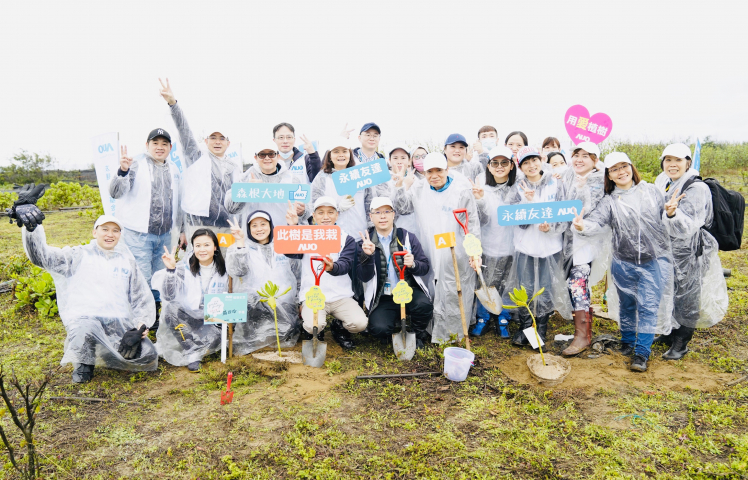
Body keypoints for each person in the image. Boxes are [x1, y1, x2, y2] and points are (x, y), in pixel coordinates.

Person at [16, 202, 157, 383]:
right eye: (105, 229)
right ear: (94, 232)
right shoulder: (78, 255)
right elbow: (42, 257)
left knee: (148, 354)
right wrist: (32, 229)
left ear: (120, 235)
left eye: (115, 231)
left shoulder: (127, 262)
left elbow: (140, 298)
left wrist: (140, 326)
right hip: (86, 319)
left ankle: (108, 352)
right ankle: (84, 362)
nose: (110, 234)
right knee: (84, 329)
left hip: (117, 322)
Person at [572, 152, 675, 372]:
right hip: (623, 261)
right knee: (627, 305)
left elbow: (666, 217)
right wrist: (582, 226)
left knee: (648, 307)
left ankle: (642, 353)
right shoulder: (609, 201)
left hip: (654, 261)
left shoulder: (651, 192)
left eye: (624, 166)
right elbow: (596, 222)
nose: (621, 172)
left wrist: (670, 213)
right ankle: (627, 342)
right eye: (614, 169)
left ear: (631, 167)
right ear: (609, 175)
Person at [393, 152, 480, 344]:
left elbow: (471, 223)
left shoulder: (461, 190)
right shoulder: (419, 188)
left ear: (447, 169)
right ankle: (431, 329)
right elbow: (403, 208)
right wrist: (400, 187)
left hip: (455, 250)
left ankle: (455, 332)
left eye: (439, 170)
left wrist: (474, 251)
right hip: (429, 247)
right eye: (429, 172)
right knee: (432, 288)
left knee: (454, 288)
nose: (434, 175)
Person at [653, 143, 728, 360]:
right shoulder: (663, 181)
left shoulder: (696, 188)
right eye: (668, 160)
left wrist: (672, 214)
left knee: (688, 295)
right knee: (670, 291)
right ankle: (669, 333)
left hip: (691, 251)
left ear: (687, 162)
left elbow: (687, 227)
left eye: (678, 160)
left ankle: (681, 342)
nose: (672, 164)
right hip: (668, 249)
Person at [109, 130, 181, 329]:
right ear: (147, 145)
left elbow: (178, 200)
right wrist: (122, 171)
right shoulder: (135, 164)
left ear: (170, 148)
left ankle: (154, 316)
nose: (160, 147)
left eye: (164, 144)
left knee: (160, 276)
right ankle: (141, 317)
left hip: (164, 234)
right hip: (139, 234)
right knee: (142, 277)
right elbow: (115, 192)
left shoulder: (174, 169)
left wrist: (181, 229)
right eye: (155, 143)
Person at [159, 78, 239, 245]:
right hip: (199, 226)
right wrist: (173, 104)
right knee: (199, 260)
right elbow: (184, 131)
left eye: (222, 138)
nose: (217, 142)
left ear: (228, 143)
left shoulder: (233, 167)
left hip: (226, 227)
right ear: (206, 141)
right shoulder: (197, 157)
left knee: (225, 260)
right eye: (213, 138)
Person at [505, 147, 572, 348]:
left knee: (545, 287)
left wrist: (550, 227)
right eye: (525, 163)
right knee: (524, 287)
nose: (531, 166)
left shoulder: (556, 183)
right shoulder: (517, 187)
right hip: (525, 246)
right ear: (520, 167)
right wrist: (527, 202)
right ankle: (526, 327)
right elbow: (512, 218)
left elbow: (564, 214)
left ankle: (540, 328)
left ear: (541, 160)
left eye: (534, 160)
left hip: (550, 246)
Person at [287, 197, 368, 350]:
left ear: (337, 215)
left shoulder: (346, 239)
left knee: (360, 324)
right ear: (313, 216)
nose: (326, 217)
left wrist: (332, 267)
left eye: (330, 212)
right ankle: (316, 330)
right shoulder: (305, 235)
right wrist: (292, 227)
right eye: (321, 212)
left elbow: (346, 264)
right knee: (312, 326)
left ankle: (339, 327)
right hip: (313, 296)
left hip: (341, 296)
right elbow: (291, 252)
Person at [358, 197, 433, 348]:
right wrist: (367, 256)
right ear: (371, 217)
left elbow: (424, 267)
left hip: (408, 290)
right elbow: (363, 277)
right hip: (383, 296)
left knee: (424, 305)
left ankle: (418, 334)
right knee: (379, 329)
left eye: (387, 211)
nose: (383, 216)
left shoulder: (407, 237)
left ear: (393, 214)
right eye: (377, 212)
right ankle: (392, 324)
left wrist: (413, 264)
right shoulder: (365, 242)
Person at [224, 211, 301, 355]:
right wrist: (240, 242)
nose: (259, 229)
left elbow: (297, 273)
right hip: (255, 304)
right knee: (259, 335)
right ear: (249, 229)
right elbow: (238, 271)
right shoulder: (242, 247)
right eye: (254, 225)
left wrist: (299, 301)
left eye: (263, 224)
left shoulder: (282, 245)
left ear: (271, 226)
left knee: (285, 335)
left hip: (284, 303)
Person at [155, 229, 229, 372]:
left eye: (206, 245)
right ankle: (192, 351)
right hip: (189, 318)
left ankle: (206, 346)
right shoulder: (184, 268)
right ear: (193, 248)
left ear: (215, 247)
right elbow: (169, 296)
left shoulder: (225, 270)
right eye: (198, 245)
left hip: (213, 319)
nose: (202, 249)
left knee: (218, 335)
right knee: (170, 309)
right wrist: (171, 270)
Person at [560, 142, 608, 356]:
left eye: (585, 156)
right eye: (576, 155)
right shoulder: (570, 176)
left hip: (585, 242)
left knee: (577, 282)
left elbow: (587, 211)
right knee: (574, 283)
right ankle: (583, 330)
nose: (579, 160)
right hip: (568, 241)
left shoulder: (598, 181)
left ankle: (582, 336)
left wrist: (581, 190)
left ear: (595, 160)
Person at [468, 146, 517, 338]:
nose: (499, 166)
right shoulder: (482, 187)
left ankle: (503, 317)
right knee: (485, 283)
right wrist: (480, 199)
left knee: (507, 283)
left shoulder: (518, 188)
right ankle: (483, 317)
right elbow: (481, 220)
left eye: (504, 162)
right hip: (488, 245)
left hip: (511, 247)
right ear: (488, 166)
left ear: (512, 165)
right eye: (495, 163)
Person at [224, 145, 307, 236]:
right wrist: (247, 188)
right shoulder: (245, 178)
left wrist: (302, 212)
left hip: (283, 234)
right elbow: (231, 208)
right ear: (256, 158)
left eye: (271, 154)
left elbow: (306, 209)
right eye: (262, 155)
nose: (267, 158)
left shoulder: (291, 179)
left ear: (278, 156)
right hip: (256, 237)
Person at [310, 137, 373, 241]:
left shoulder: (360, 174)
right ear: (330, 156)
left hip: (359, 236)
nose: (341, 155)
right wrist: (337, 207)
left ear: (350, 154)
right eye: (336, 152)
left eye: (344, 151)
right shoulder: (322, 177)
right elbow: (314, 205)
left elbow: (369, 204)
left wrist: (371, 229)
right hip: (332, 237)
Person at [385, 145, 421, 237]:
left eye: (403, 158)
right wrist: (404, 185)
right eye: (395, 158)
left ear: (409, 161)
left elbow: (413, 207)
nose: (399, 161)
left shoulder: (415, 179)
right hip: (392, 233)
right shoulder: (384, 181)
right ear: (389, 160)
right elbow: (390, 208)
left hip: (414, 233)